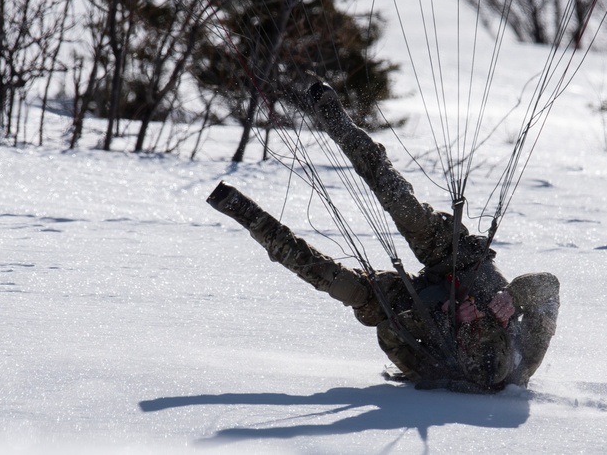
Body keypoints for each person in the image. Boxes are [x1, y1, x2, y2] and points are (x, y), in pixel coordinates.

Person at [208, 78, 559, 393]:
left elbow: (390, 334)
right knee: (402, 205)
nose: (480, 316)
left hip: (417, 302)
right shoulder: (525, 354)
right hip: (461, 259)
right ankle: (337, 121)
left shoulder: (435, 370)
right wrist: (511, 297)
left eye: (473, 328)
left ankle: (243, 211)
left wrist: (440, 316)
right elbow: (549, 286)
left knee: (336, 282)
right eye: (490, 322)